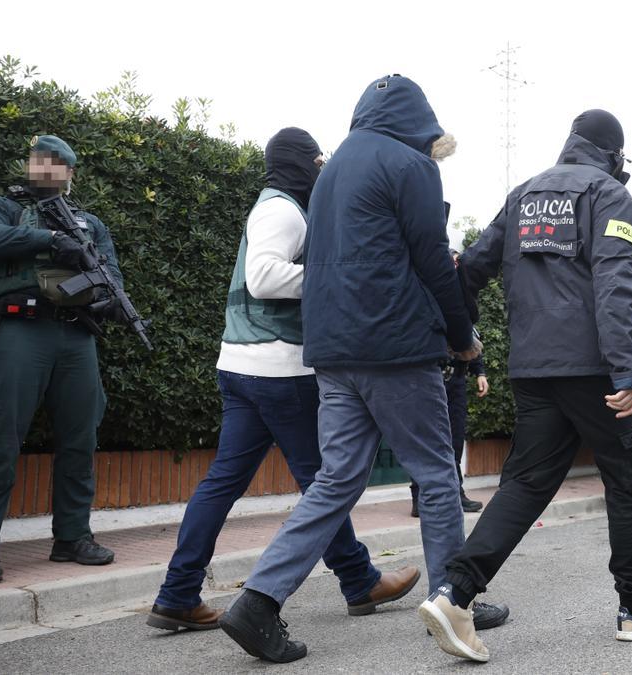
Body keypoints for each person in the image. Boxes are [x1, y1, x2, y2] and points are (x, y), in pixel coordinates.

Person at [217, 76, 508, 664]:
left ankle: (258, 600)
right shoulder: (412, 166)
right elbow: (432, 260)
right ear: (420, 124)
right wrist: (462, 338)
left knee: (337, 478)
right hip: (396, 347)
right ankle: (455, 599)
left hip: (332, 350)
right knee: (436, 474)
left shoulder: (331, 172)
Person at [418, 109, 632, 664]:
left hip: (534, 370)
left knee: (524, 485)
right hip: (594, 371)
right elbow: (615, 286)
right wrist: (626, 373)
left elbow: (468, 268)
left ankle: (454, 595)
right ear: (614, 155)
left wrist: (461, 337)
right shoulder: (609, 194)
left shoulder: (522, 196)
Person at [146, 128, 420, 632]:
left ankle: (178, 594)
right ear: (301, 163)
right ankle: (359, 581)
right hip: (280, 371)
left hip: (243, 368)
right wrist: (333, 275)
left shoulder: (278, 206)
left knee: (226, 483)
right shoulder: (282, 210)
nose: (322, 171)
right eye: (317, 162)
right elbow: (265, 276)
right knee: (325, 484)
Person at [0, 135, 119, 585]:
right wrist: (48, 238)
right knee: (1, 437)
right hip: (20, 332)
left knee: (80, 440)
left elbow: (111, 272)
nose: (45, 168)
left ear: (69, 173)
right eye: (38, 160)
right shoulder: (1, 207)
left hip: (75, 336)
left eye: (55, 163)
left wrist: (106, 297)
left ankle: (72, 537)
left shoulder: (89, 222)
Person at [410, 249, 489, 518]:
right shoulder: (425, 290)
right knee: (426, 439)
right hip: (429, 375)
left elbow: (470, 334)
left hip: (455, 378)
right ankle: (420, 497)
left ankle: (457, 492)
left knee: (454, 439)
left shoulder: (461, 297)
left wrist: (480, 372)